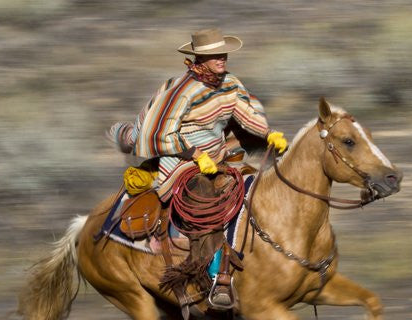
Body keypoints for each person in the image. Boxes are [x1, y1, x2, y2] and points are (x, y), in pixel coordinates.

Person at [108, 27, 287, 200]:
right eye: (214, 56)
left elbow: (245, 113)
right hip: (183, 160)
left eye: (223, 54)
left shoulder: (230, 82)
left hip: (218, 154)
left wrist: (268, 133)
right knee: (200, 202)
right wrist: (197, 155)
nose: (221, 59)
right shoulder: (184, 91)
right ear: (201, 58)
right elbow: (162, 132)